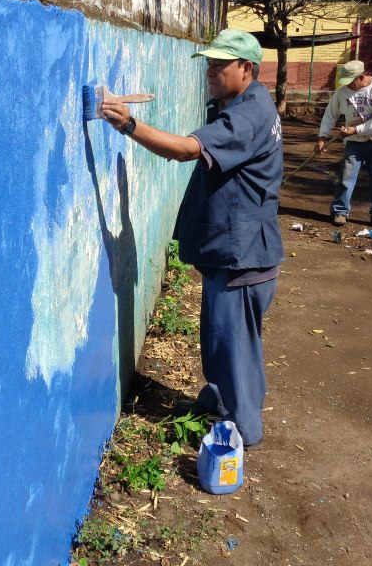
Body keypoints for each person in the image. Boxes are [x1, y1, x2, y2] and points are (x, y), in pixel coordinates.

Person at [100, 29, 284, 447]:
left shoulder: (246, 116)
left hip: (244, 257)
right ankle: (218, 400)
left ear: (247, 69)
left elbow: (184, 149)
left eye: (221, 64)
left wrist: (128, 124)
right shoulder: (240, 104)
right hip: (234, 252)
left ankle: (240, 432)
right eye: (209, 62)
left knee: (234, 347)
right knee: (220, 339)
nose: (211, 71)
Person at [314, 59, 372, 231]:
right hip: (355, 143)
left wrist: (355, 129)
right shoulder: (342, 92)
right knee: (346, 178)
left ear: (361, 77)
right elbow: (330, 114)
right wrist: (322, 137)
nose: (347, 86)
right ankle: (340, 211)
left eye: (350, 81)